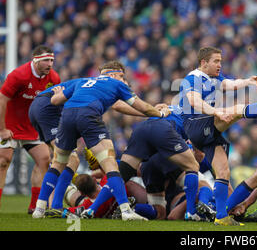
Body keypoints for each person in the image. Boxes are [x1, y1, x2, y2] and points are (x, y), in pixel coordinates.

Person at [178, 46, 257, 225]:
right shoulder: (192, 78)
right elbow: (193, 101)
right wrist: (216, 112)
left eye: (221, 61)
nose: (220, 64)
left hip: (206, 130)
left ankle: (221, 217)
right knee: (236, 110)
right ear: (203, 63)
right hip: (195, 125)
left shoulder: (214, 78)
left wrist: (248, 82)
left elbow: (229, 84)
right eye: (216, 61)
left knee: (223, 171)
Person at [32, 60, 170, 221]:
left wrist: (57, 93)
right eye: (121, 76)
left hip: (67, 117)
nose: (123, 80)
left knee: (58, 163)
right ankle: (126, 211)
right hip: (88, 115)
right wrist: (160, 114)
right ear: (112, 74)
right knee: (110, 163)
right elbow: (143, 107)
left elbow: (55, 101)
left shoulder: (82, 81)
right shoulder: (117, 85)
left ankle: (39, 208)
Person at [89, 105, 202, 221]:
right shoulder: (196, 119)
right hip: (163, 142)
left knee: (122, 175)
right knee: (193, 168)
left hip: (142, 130)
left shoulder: (169, 107)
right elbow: (199, 155)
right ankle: (191, 211)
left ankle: (92, 209)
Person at [0, 45, 60, 213]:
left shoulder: (53, 78)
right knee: (3, 161)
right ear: (35, 60)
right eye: (46, 60)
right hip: (9, 125)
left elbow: (54, 104)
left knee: (44, 159)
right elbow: (2, 100)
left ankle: (34, 206)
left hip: (32, 127)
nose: (50, 64)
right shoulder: (18, 75)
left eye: (52, 60)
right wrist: (2, 129)